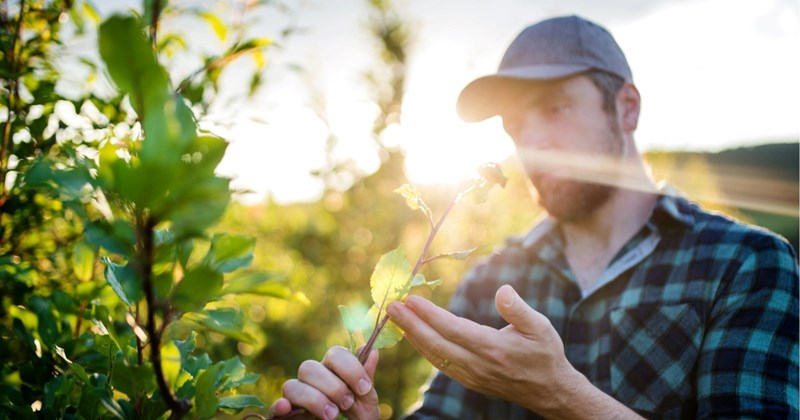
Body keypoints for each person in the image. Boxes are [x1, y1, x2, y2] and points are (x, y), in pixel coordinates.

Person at [269, 15, 799, 419]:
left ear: (627, 107)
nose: (532, 143)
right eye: (515, 124)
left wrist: (560, 396)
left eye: (556, 108)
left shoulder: (746, 263)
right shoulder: (490, 282)